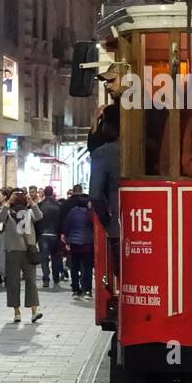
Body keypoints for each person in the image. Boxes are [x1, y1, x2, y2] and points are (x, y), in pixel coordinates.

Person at [90, 117, 121, 299]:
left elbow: (95, 194)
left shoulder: (103, 153)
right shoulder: (147, 147)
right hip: (149, 221)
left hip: (118, 223)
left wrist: (106, 221)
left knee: (123, 275)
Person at [0, 189, 43, 323]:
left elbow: (40, 216)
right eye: (16, 196)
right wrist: (8, 202)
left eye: (21, 196)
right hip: (12, 250)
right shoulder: (7, 212)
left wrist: (32, 202)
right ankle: (16, 311)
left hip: (28, 250)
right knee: (13, 282)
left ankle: (34, 311)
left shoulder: (29, 212)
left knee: (31, 281)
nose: (19, 199)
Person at [60, 186, 95, 299]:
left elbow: (66, 226)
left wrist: (66, 237)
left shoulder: (72, 212)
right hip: (87, 244)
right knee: (87, 267)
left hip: (74, 244)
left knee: (74, 267)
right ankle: (87, 290)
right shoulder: (90, 213)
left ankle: (75, 289)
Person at [36, 186, 64, 288]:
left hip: (42, 234)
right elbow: (62, 221)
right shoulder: (58, 206)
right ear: (52, 193)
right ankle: (56, 278)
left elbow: (36, 221)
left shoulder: (40, 205)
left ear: (44, 193)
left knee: (44, 258)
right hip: (55, 234)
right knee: (55, 257)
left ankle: (46, 278)